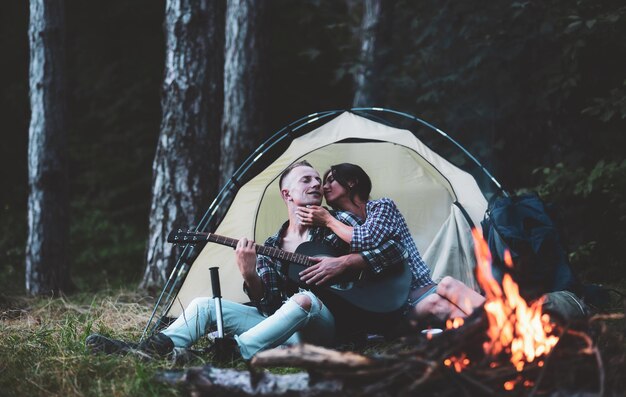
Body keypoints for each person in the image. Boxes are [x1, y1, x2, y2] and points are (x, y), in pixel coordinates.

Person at [86, 160, 407, 359]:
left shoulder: (337, 227)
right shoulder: (271, 245)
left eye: (317, 180)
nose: (317, 185)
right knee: (204, 305)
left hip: (328, 326)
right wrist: (249, 272)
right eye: (306, 180)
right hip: (281, 327)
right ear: (287, 195)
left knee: (305, 301)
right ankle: (154, 348)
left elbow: (393, 251)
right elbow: (265, 303)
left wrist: (347, 264)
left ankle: (231, 353)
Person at [296, 163, 485, 326]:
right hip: (392, 307)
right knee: (440, 298)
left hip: (421, 289)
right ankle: (498, 329)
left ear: (352, 182)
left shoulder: (382, 207)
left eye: (331, 180)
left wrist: (328, 220)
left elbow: (367, 237)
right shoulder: (339, 223)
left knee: (448, 285)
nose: (324, 186)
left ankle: (500, 323)